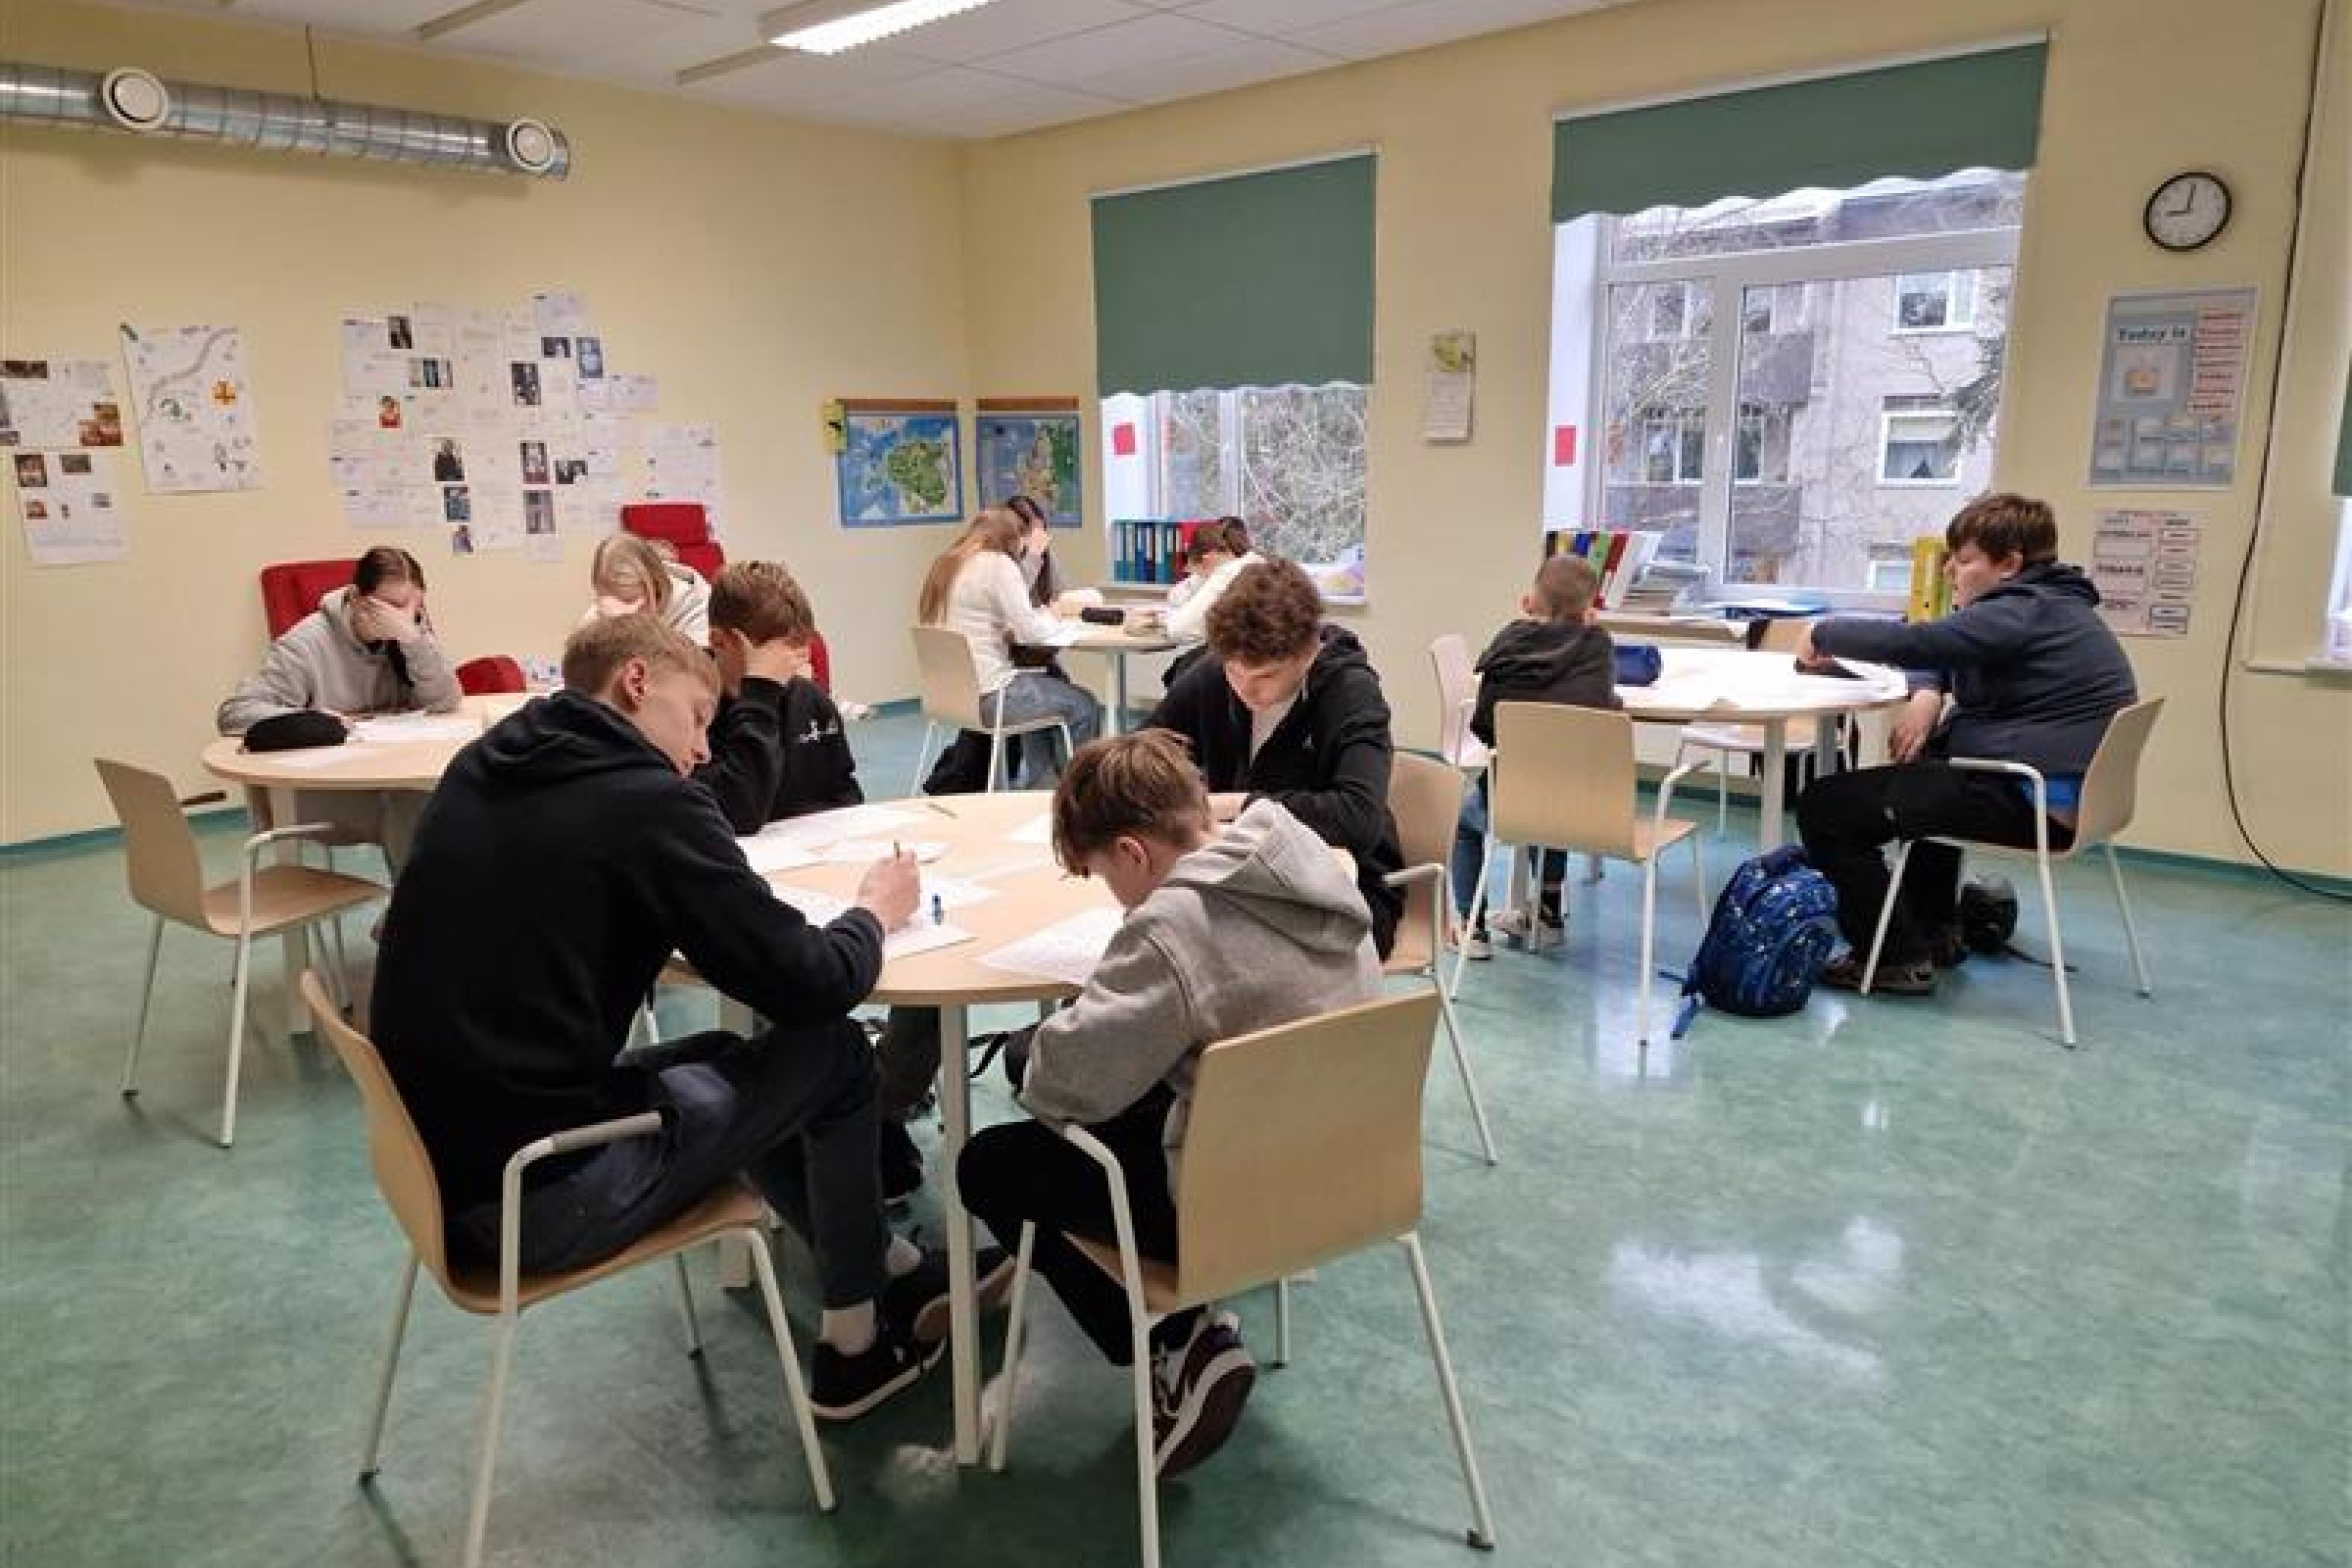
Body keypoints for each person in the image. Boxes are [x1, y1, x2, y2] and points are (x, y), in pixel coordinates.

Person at [371, 615, 1000, 1419]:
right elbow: (811, 984)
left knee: (730, 1052)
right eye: (699, 718)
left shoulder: (489, 762)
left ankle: (887, 1265)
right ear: (637, 682)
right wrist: (874, 914)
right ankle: (857, 1347)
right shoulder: (645, 803)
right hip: (540, 1193)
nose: (704, 751)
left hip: (450, 1166)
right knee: (834, 1052)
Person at [957, 730, 1380, 1478]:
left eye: (1103, 876)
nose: (1114, 897)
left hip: (1237, 1205)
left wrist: (1040, 1041)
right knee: (1135, 1087)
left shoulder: (1170, 927)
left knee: (990, 1163)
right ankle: (1185, 1337)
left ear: (1132, 852)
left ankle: (1178, 1340)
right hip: (1352, 1174)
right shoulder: (1301, 857)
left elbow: (1063, 1086)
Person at [1794, 493, 2138, 995]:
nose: (1951, 570)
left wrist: (1823, 633)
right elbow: (1943, 647)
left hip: (2027, 799)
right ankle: (1933, 932)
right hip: (2048, 793)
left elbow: (1919, 643)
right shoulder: (2050, 606)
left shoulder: (2021, 611)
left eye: (1965, 559)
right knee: (1926, 769)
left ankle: (1892, 957)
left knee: (1827, 807)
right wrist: (1928, 692)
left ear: (2009, 564)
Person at [1144, 557, 1405, 959]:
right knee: (1159, 932)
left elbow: (1357, 818)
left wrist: (1235, 805)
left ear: (1308, 653)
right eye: (1235, 673)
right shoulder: (1219, 670)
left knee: (1208, 951)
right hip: (1244, 870)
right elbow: (1145, 749)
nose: (1247, 690)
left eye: (1266, 677)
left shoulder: (1350, 691)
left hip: (1347, 888)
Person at [217, 546, 462, 874]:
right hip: (320, 788)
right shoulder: (305, 644)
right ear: (358, 599)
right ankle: (416, 906)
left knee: (457, 797)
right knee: (417, 805)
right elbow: (235, 713)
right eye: (391, 607)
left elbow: (445, 701)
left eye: (413, 607)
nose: (403, 618)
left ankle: (442, 903)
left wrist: (414, 642)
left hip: (384, 770)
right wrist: (311, 722)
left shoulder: (409, 634)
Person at [1451, 555, 1620, 959]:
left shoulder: (1508, 647)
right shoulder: (1598, 648)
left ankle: (1471, 928)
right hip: (1581, 805)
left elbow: (1484, 725)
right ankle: (1547, 915)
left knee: (1464, 824)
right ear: (1589, 607)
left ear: (1529, 602)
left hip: (1509, 799)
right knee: (1554, 785)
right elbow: (1606, 711)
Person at [916, 506, 1099, 788]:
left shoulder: (948, 563)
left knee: (1045, 688)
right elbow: (1032, 631)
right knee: (1083, 705)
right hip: (993, 698)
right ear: (1012, 538)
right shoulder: (997, 564)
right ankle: (1081, 795)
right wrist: (1057, 619)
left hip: (951, 699)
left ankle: (1043, 786)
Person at [694, 561, 860, 833]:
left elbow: (843, 791)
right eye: (772, 659)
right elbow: (738, 814)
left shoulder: (811, 701)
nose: (788, 669)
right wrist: (760, 692)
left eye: (795, 653)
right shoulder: (692, 713)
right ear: (718, 641)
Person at [583, 531, 712, 642]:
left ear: (656, 587)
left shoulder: (699, 607)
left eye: (629, 601)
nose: (623, 612)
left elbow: (696, 662)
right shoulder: (604, 609)